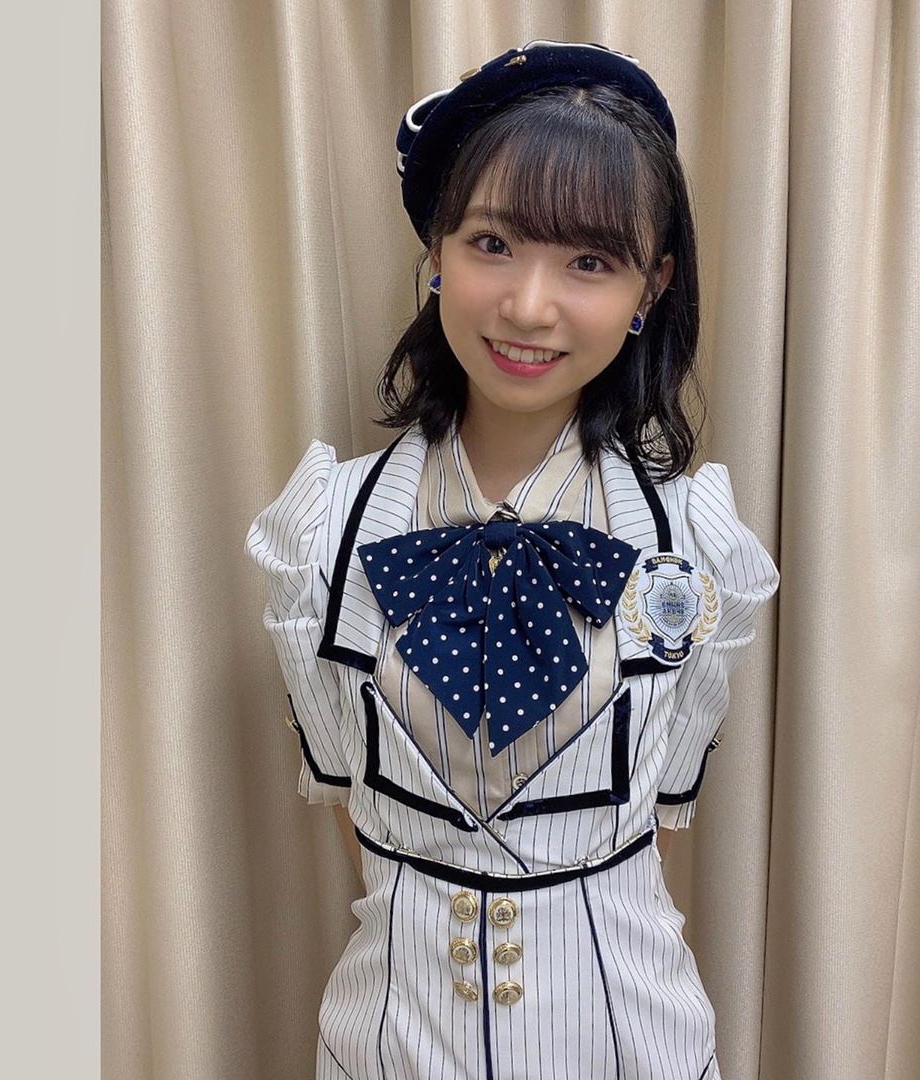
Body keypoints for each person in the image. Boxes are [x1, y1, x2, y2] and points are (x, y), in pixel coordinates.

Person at [246, 39, 780, 1080]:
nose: (530, 306)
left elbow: (658, 823)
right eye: (493, 242)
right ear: (437, 253)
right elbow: (352, 808)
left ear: (652, 286)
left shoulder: (695, 552)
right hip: (389, 1044)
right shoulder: (322, 536)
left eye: (590, 261)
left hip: (629, 1044)